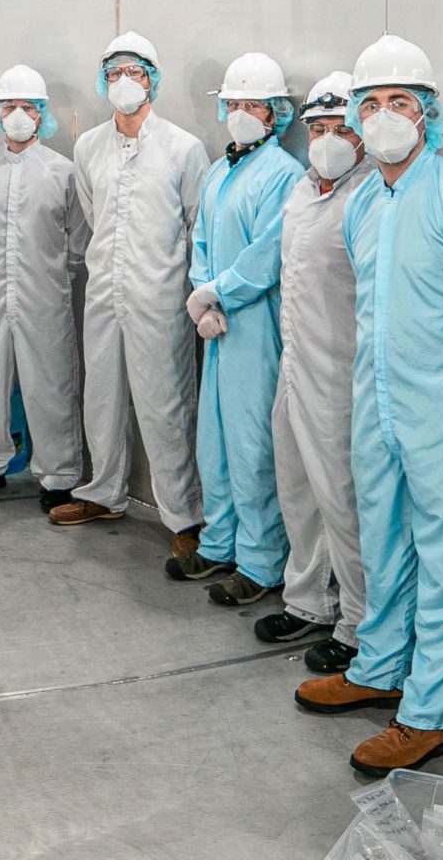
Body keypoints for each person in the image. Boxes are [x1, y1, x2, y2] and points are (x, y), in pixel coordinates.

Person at [297, 37, 443, 777]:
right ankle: (381, 665)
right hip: (380, 405)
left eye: (400, 103)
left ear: (429, 115)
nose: (385, 117)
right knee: (386, 543)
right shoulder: (366, 201)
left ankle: (431, 711)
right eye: (371, 106)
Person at [53, 34, 211, 568]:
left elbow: (197, 228)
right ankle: (103, 493)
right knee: (101, 396)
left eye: (137, 71)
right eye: (116, 71)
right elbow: (96, 217)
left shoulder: (184, 148)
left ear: (153, 80)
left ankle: (184, 516)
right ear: (104, 81)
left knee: (167, 406)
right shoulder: (88, 146)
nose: (126, 80)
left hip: (160, 297)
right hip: (105, 291)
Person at [256, 73, 373, 669]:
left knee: (342, 499)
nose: (327, 140)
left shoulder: (370, 197)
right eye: (318, 129)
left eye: (340, 129)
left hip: (342, 374)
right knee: (297, 488)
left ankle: (356, 624)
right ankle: (307, 603)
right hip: (295, 363)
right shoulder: (303, 191)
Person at [179, 52, 303, 604]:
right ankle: (219, 541)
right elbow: (201, 237)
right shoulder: (218, 169)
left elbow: (268, 253)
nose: (243, 113)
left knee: (253, 446)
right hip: (215, 324)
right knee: (217, 440)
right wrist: (202, 296)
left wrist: (219, 293)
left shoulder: (284, 175)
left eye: (254, 105)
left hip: (255, 326)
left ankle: (259, 562)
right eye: (235, 104)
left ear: (276, 114)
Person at [0, 65, 89, 508]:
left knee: (50, 385)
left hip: (44, 294)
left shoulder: (62, 172)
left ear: (42, 114)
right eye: (9, 106)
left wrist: (52, 278)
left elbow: (77, 238)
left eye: (28, 107)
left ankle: (59, 474)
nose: (18, 114)